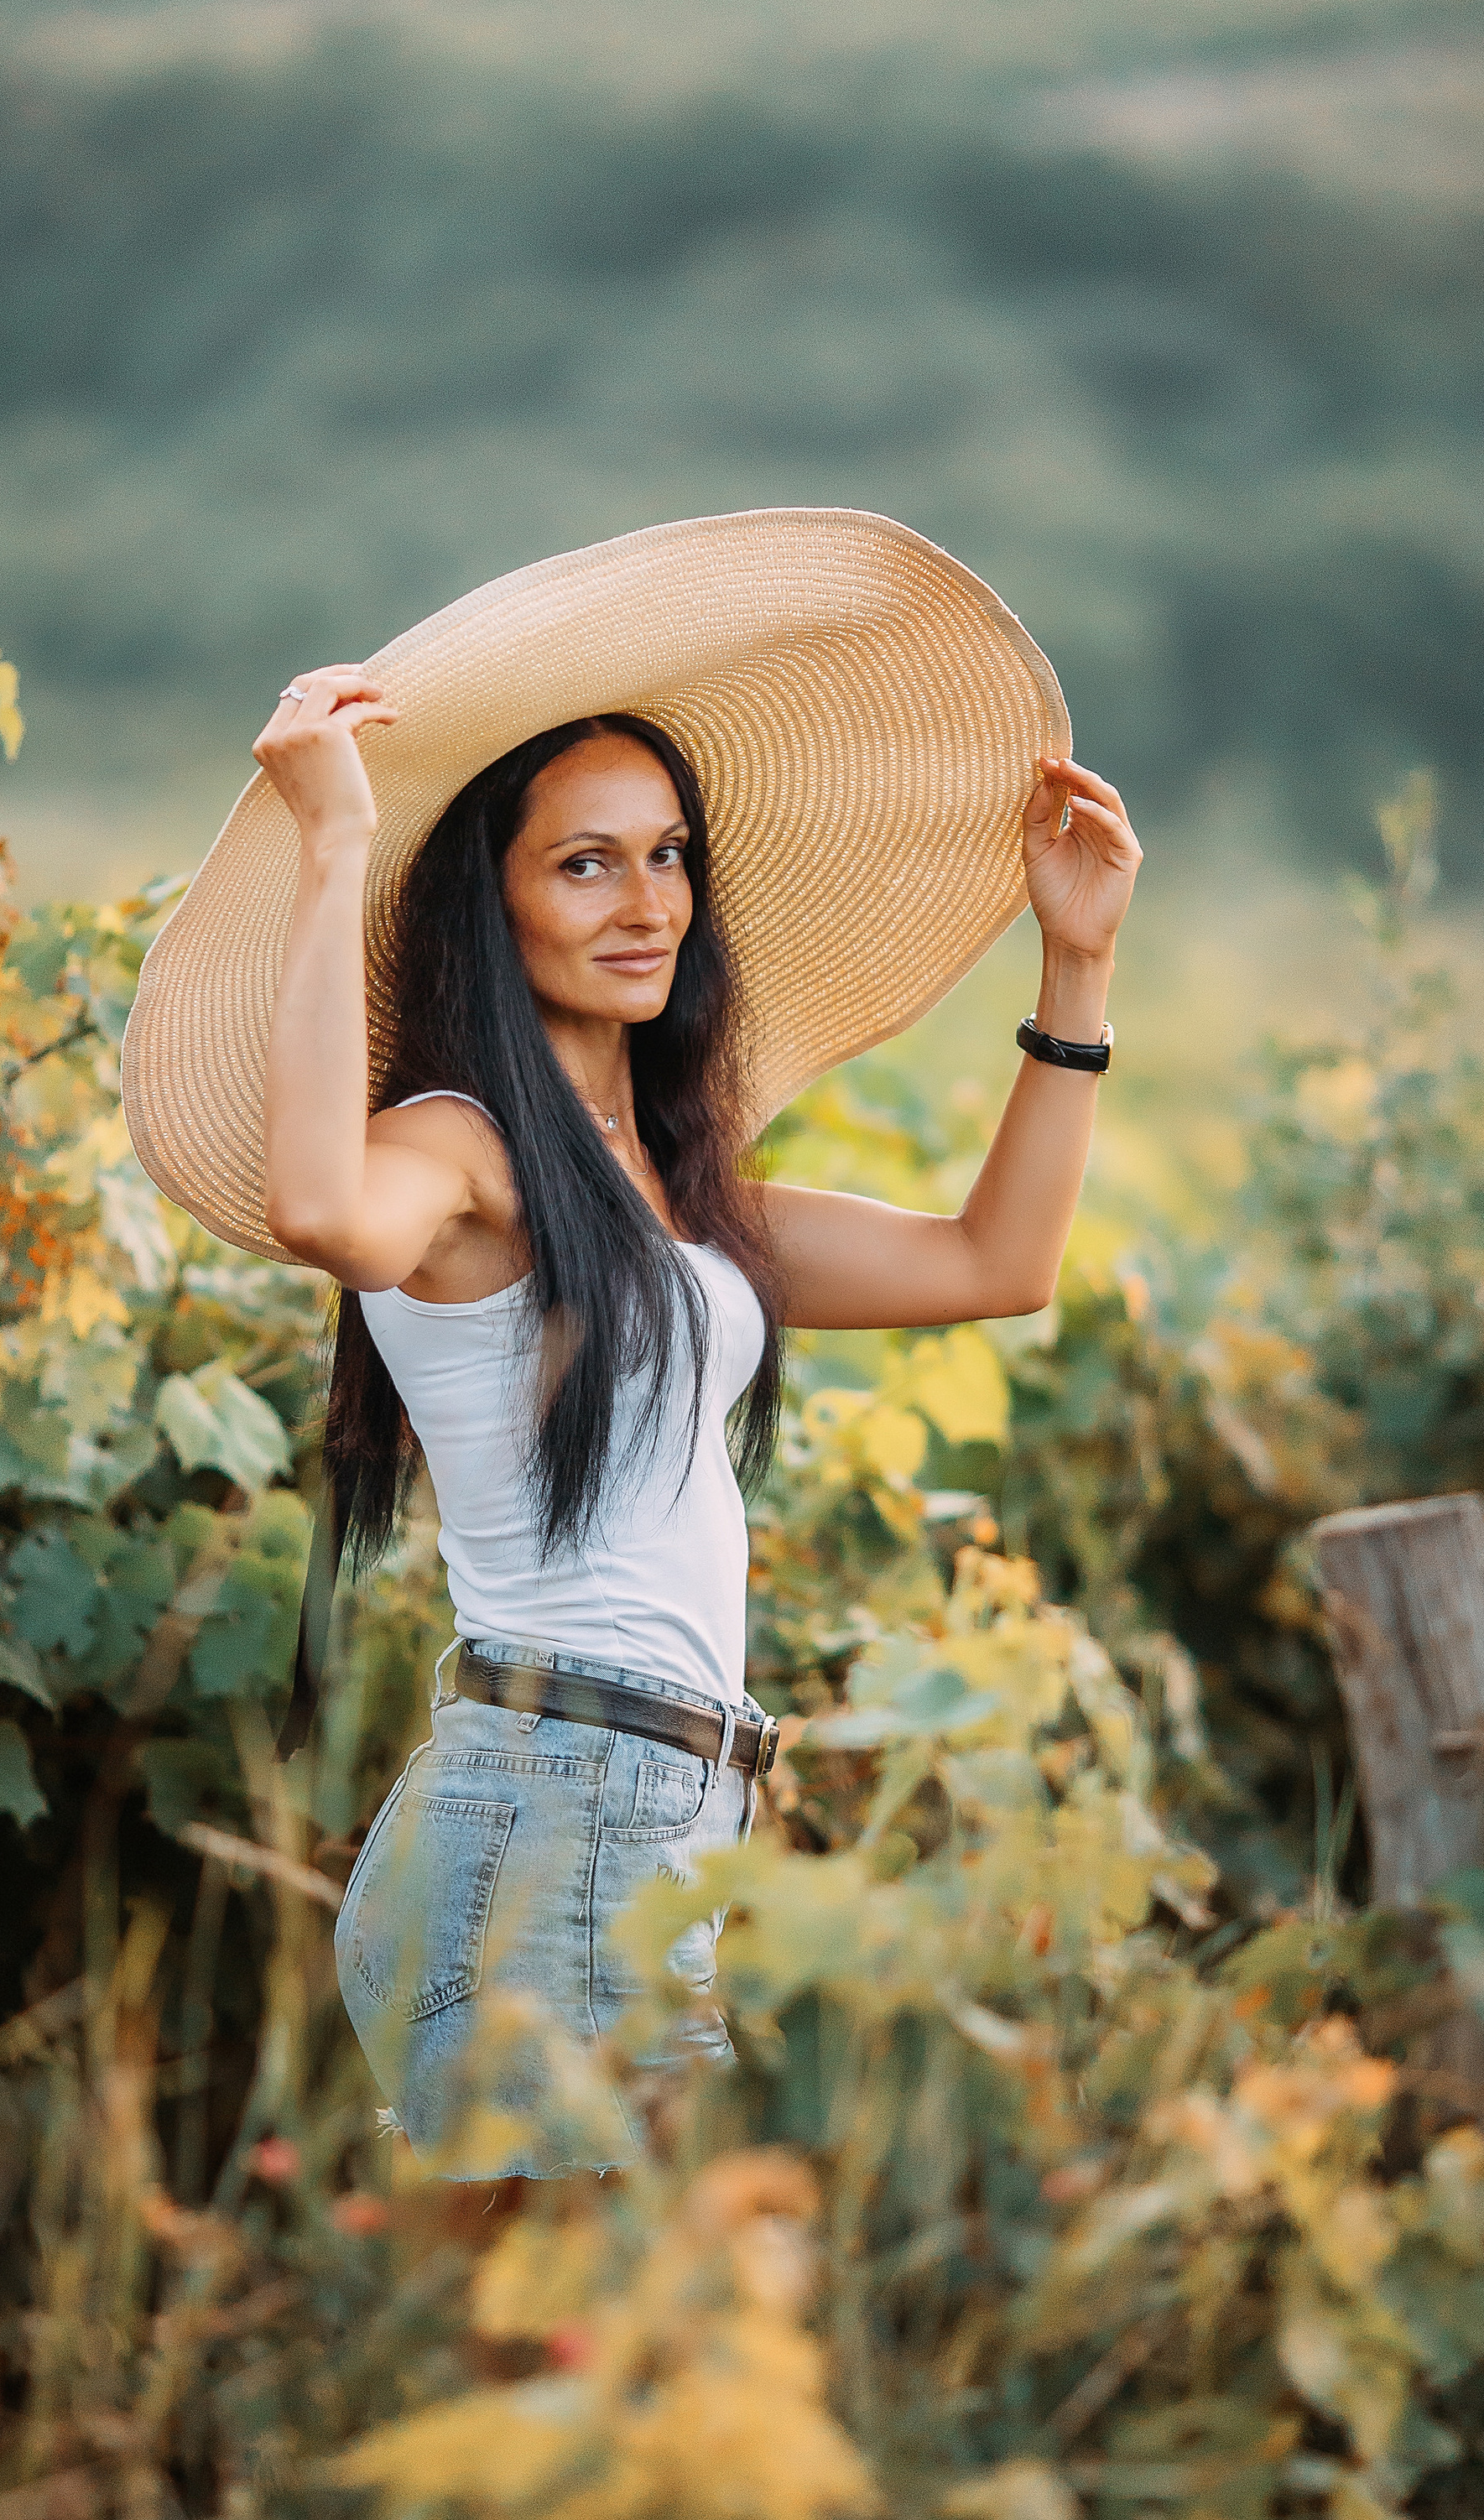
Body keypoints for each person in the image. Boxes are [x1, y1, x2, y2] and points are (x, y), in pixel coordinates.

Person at [120, 511, 1140, 2175]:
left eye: (665, 854)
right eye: (583, 862)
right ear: (486, 906)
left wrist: (1077, 960)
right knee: (572, 2369)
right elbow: (318, 1207)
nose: (644, 899)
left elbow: (991, 1261)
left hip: (645, 1820)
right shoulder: (460, 1152)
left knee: (588, 2380)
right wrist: (329, 854)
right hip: (549, 1810)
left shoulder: (677, 1199)